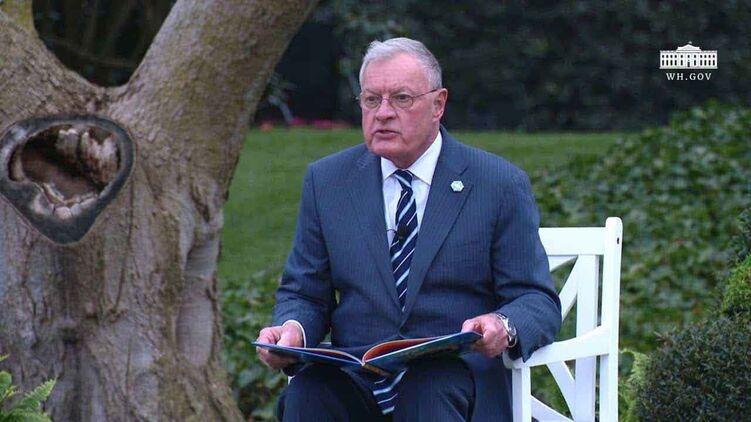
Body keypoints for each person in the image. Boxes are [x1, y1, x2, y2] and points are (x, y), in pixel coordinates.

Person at [256, 37, 561, 421]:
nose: (383, 113)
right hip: (360, 376)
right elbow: (305, 293)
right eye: (371, 100)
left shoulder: (497, 184)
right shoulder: (328, 182)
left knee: (428, 386)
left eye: (401, 98)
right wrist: (293, 330)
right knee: (308, 391)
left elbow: (536, 300)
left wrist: (502, 325)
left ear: (438, 105)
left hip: (454, 379)